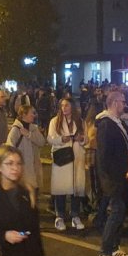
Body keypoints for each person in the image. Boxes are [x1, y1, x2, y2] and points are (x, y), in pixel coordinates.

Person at [96, 91, 128, 256]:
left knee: (122, 212)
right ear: (114, 103)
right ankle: (104, 252)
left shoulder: (119, 123)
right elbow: (103, 156)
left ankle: (114, 246)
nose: (125, 104)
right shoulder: (106, 124)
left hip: (125, 176)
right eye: (122, 101)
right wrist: (108, 180)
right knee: (117, 212)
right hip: (115, 178)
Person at [47, 98, 87, 231]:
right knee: (61, 188)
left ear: (72, 107)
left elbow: (86, 139)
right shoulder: (55, 121)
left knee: (76, 187)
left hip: (77, 157)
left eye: (67, 105)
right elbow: (50, 138)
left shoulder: (80, 121)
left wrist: (81, 139)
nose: (64, 108)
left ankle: (75, 215)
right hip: (62, 158)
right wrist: (61, 139)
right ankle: (60, 216)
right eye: (62, 105)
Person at [7, 104, 46, 198]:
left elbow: (42, 142)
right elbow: (9, 149)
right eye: (32, 113)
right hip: (23, 170)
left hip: (34, 168)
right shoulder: (15, 130)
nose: (34, 115)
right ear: (24, 115)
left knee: (34, 196)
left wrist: (29, 135)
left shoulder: (33, 128)